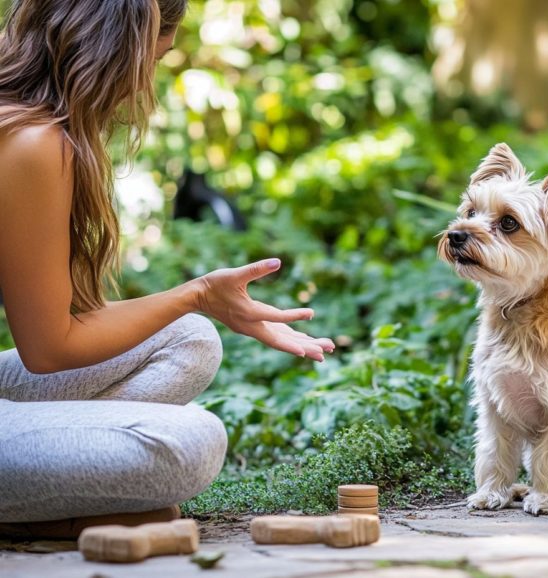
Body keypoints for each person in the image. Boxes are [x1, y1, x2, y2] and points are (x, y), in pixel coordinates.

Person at [0, 0, 334, 537]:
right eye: (152, 62)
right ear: (117, 49)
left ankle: (53, 487)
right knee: (191, 441)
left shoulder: (23, 125)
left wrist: (201, 301)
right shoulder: (35, 144)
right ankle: (45, 502)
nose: (143, 85)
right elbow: (50, 350)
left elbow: (55, 331)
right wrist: (197, 291)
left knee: (190, 339)